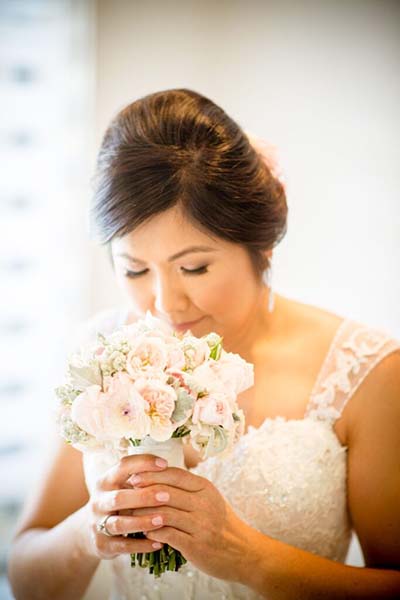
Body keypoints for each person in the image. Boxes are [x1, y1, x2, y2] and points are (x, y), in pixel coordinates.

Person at [7, 88, 400, 599]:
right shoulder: (106, 352)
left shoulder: (366, 372)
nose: (165, 303)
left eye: (194, 267)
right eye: (134, 269)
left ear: (260, 244)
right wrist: (89, 532)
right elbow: (26, 579)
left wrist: (245, 556)